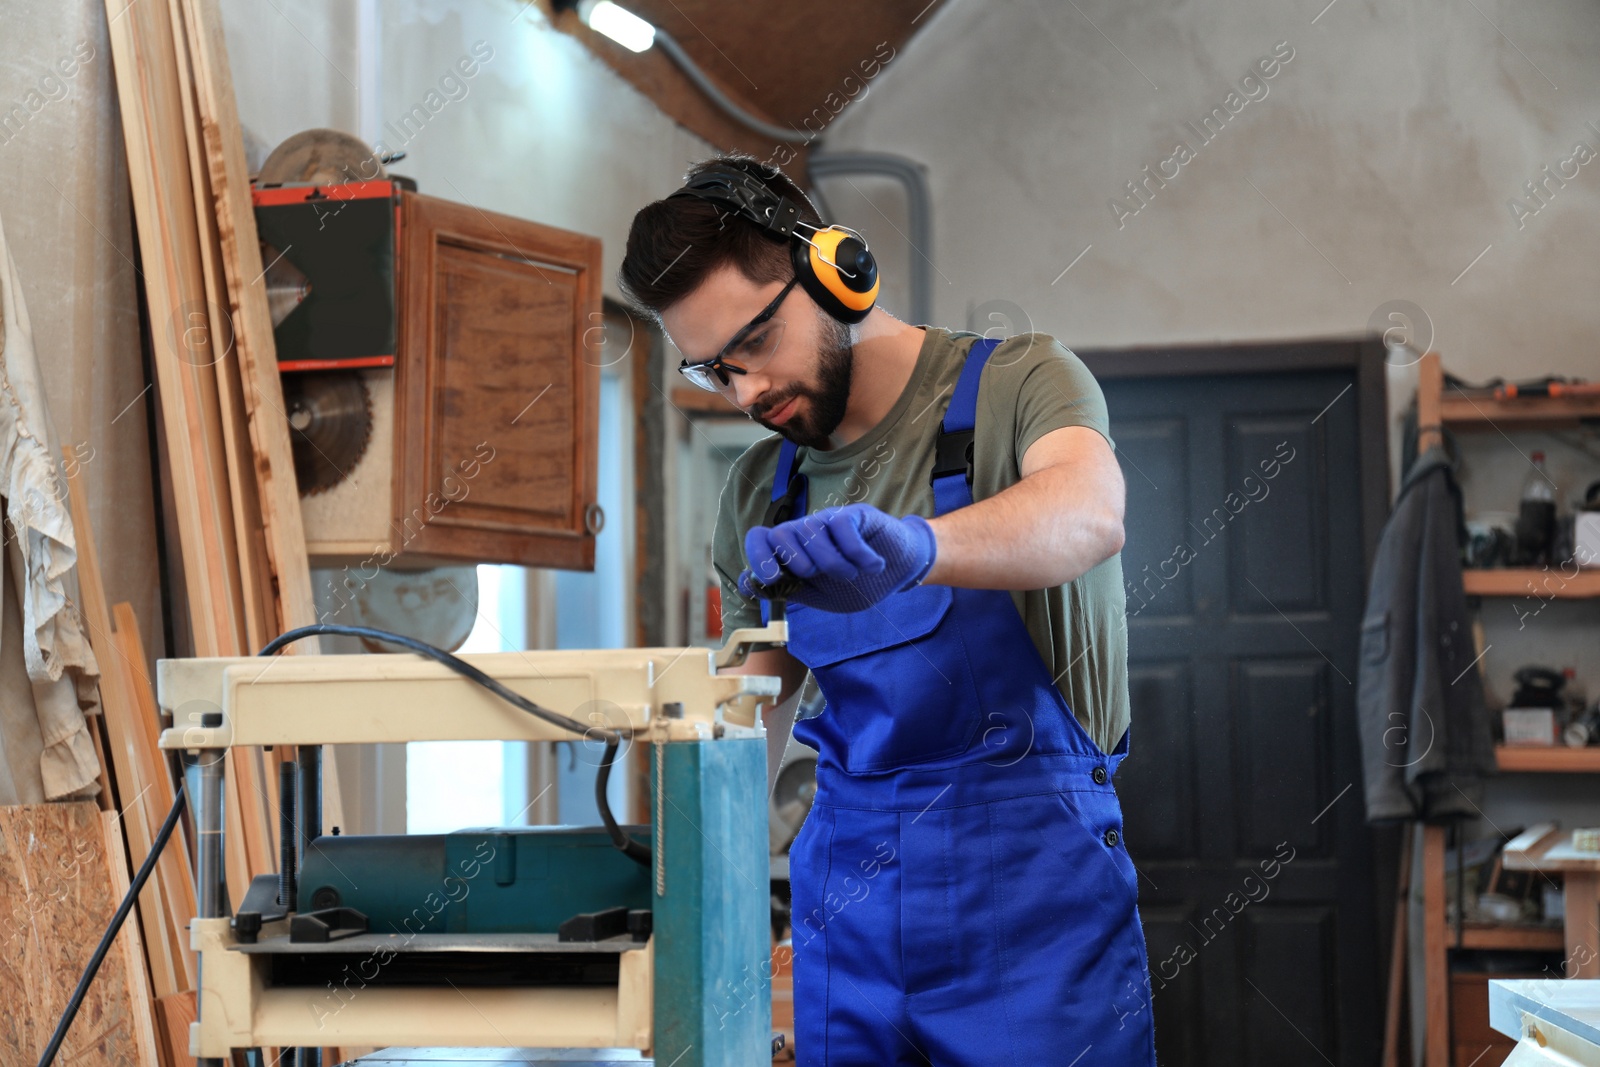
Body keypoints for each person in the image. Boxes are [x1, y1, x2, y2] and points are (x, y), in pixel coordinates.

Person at [620, 154, 1155, 1066]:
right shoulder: (762, 490)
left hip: (1034, 898)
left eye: (754, 345)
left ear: (836, 270)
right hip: (850, 908)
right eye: (715, 371)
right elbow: (748, 722)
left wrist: (923, 549)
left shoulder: (1018, 386)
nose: (745, 393)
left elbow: (1089, 512)